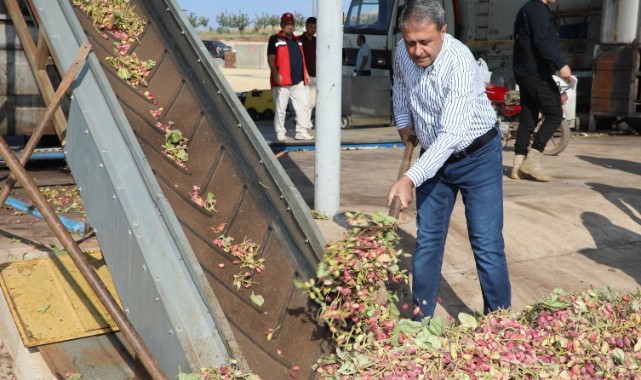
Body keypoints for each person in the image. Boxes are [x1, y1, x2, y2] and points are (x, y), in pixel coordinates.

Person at [386, 0, 511, 320]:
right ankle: (420, 319)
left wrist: (410, 178)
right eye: (410, 42)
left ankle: (499, 323)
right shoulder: (403, 51)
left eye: (425, 42)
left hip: (477, 155)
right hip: (433, 157)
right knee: (427, 241)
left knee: (486, 243)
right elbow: (401, 85)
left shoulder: (460, 63)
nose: (417, 51)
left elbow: (451, 135)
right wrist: (404, 123)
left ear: (443, 31)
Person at [511, 0, 572, 181]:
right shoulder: (539, 10)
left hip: (523, 71)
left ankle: (517, 165)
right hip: (536, 72)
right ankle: (532, 161)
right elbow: (542, 41)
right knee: (554, 113)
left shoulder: (524, 9)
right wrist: (560, 65)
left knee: (528, 117)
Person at [267, 12, 314, 142]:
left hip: (297, 80)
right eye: (287, 24)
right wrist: (276, 74)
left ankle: (301, 131)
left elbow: (301, 58)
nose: (290, 27)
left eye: (292, 24)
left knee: (304, 105)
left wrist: (306, 74)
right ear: (282, 25)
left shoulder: (298, 40)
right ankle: (280, 132)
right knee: (281, 108)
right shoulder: (274, 39)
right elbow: (271, 59)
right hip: (282, 81)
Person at [301, 17, 317, 129]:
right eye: (311, 27)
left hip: (315, 75)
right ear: (306, 27)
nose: (313, 29)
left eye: (315, 27)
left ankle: (306, 120)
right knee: (305, 101)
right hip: (303, 75)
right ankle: (304, 123)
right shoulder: (300, 40)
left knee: (313, 102)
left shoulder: (317, 41)